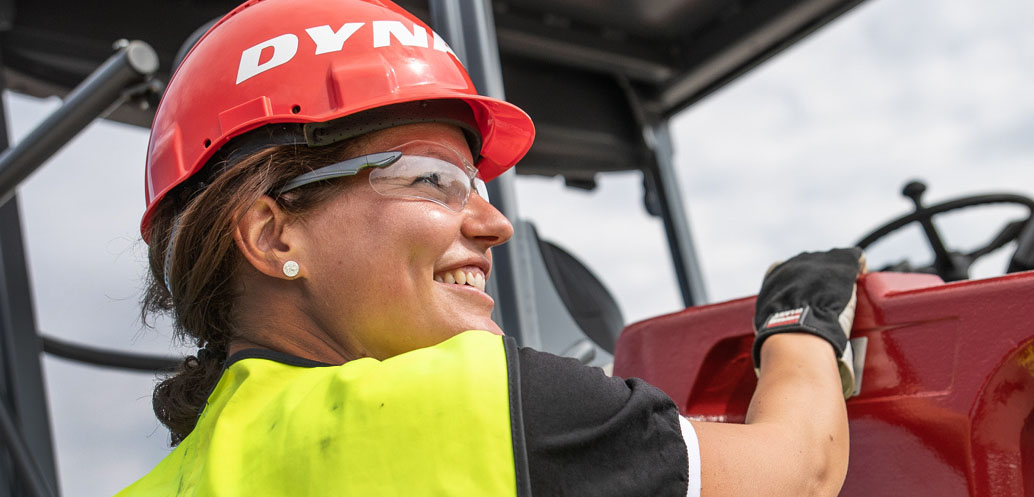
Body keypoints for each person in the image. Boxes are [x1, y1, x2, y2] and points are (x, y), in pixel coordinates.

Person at [117, 0, 864, 495]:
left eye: (476, 183)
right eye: (434, 179)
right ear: (272, 233)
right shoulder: (483, 406)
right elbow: (803, 469)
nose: (494, 223)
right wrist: (802, 321)